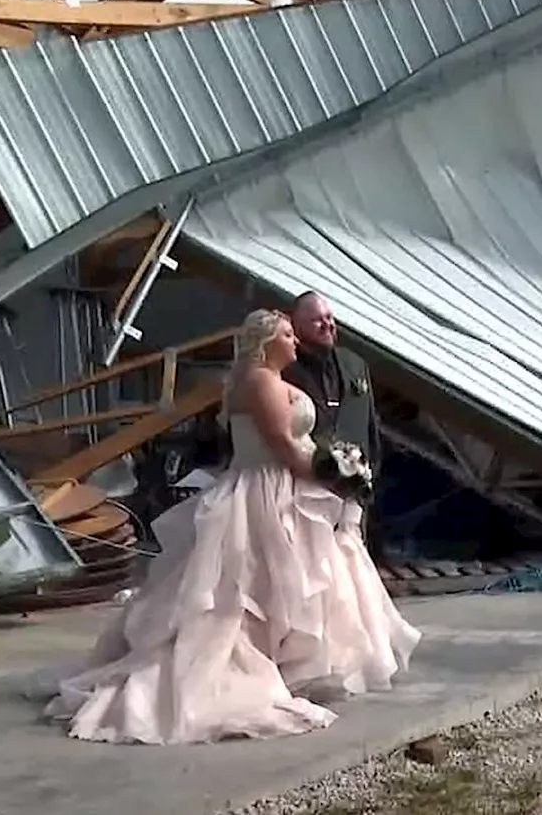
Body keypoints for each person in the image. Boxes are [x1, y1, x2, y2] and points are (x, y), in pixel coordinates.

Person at [39, 309, 420, 745]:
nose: (295, 342)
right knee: (246, 585)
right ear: (265, 341)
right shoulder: (258, 381)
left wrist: (336, 470)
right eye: (287, 334)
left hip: (283, 485)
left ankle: (287, 663)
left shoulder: (264, 379)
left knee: (292, 579)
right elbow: (282, 445)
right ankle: (247, 668)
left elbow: (299, 444)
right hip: (263, 486)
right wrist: (337, 479)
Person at [283, 292, 386, 558]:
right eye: (317, 320)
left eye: (329, 317)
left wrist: (368, 470)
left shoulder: (355, 364)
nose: (327, 324)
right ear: (297, 326)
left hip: (353, 492)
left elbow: (370, 424)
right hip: (306, 493)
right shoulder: (286, 369)